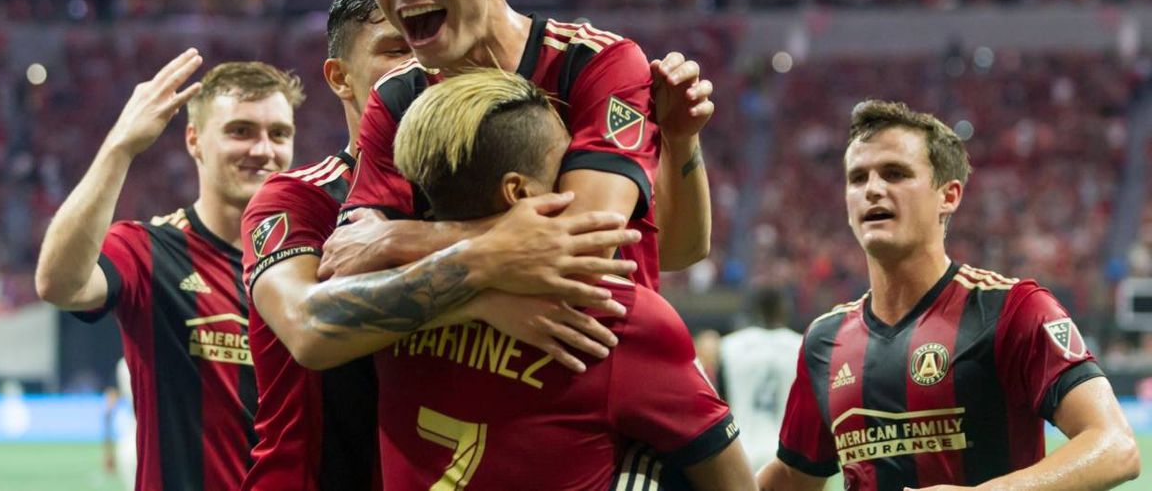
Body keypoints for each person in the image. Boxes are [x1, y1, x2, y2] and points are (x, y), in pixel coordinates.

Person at [241, 0, 717, 489]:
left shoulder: (511, 190)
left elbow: (677, 250)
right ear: (341, 77)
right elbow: (310, 328)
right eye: (395, 48)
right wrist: (482, 280)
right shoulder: (299, 199)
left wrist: (679, 140)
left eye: (421, 43)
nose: (415, 64)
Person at [318, 0, 701, 294]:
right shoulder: (398, 96)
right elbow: (349, 261)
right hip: (467, 359)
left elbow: (586, 246)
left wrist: (402, 238)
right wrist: (486, 290)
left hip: (602, 352)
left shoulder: (597, 63)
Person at [370, 68, 755, 490]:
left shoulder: (383, 305)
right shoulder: (612, 315)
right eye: (567, 165)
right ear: (519, 192)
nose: (578, 182)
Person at [757, 100, 1141, 491]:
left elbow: (1115, 445)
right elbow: (792, 477)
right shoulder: (825, 341)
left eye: (895, 173)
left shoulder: (1013, 310)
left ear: (949, 195)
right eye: (858, 179)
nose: (872, 189)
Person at [35, 56, 303, 491]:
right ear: (194, 140)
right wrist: (120, 146)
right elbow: (59, 284)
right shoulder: (149, 250)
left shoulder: (309, 259)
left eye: (279, 134)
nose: (263, 150)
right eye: (240, 131)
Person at [701, 288, 802, 473]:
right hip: (787, 454)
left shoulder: (728, 346)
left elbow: (719, 401)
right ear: (783, 309)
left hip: (742, 450)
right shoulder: (801, 345)